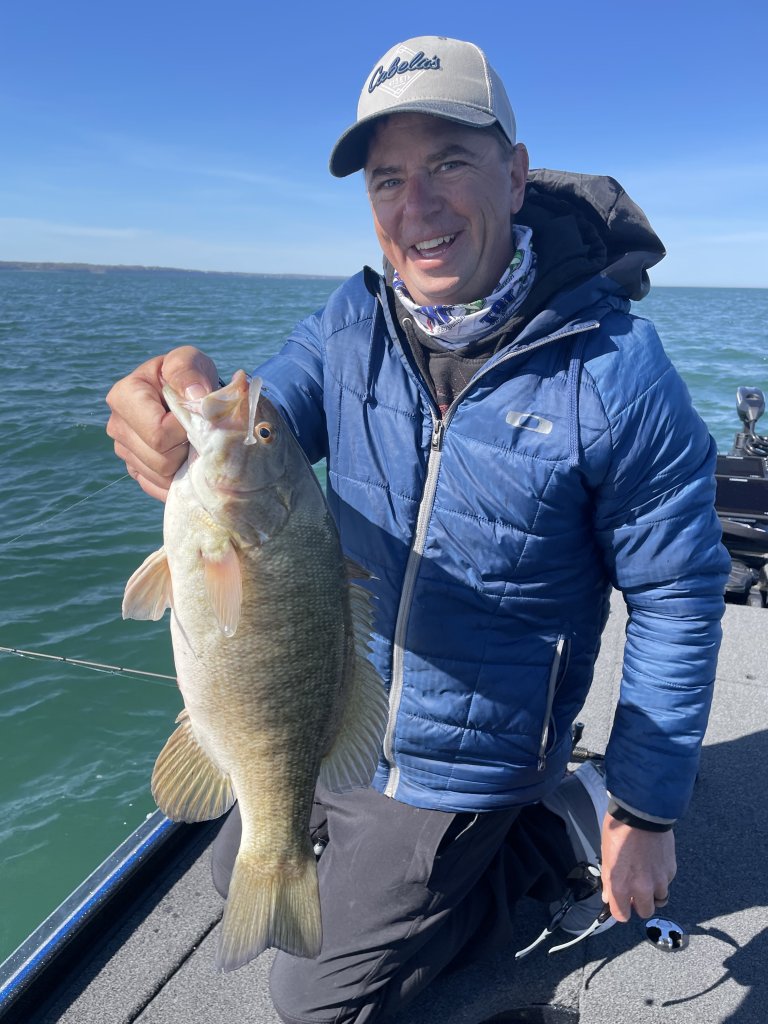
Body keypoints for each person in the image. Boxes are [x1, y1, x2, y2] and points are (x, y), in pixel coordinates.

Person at [106, 36, 730, 1023]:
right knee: (239, 882)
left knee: (311, 997)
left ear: (516, 174)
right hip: (344, 707)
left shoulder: (615, 374)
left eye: (448, 162)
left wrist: (646, 810)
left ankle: (545, 834)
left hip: (473, 755)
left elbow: (678, 593)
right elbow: (266, 421)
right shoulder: (348, 327)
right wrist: (177, 405)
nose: (417, 205)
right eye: (388, 178)